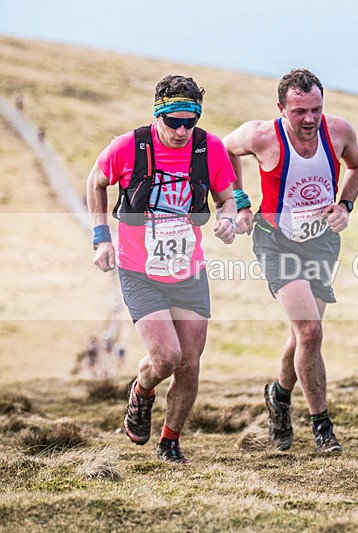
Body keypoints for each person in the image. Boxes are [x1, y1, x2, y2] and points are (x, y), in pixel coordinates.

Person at [86, 75, 237, 463]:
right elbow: (96, 181)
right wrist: (102, 236)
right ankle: (141, 390)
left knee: (189, 364)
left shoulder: (209, 148)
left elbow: (226, 197)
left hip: (189, 271)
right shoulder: (130, 147)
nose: (183, 131)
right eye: (174, 122)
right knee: (165, 358)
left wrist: (228, 218)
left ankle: (170, 441)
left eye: (191, 121)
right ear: (158, 115)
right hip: (139, 270)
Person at [223, 69, 358, 454]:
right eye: (299, 110)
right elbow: (224, 151)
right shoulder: (261, 135)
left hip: (320, 243)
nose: (309, 119)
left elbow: (357, 166)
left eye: (316, 109)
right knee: (311, 333)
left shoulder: (338, 132)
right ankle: (322, 426)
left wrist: (345, 204)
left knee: (301, 336)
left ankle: (279, 397)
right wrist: (240, 202)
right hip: (276, 242)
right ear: (281, 108)